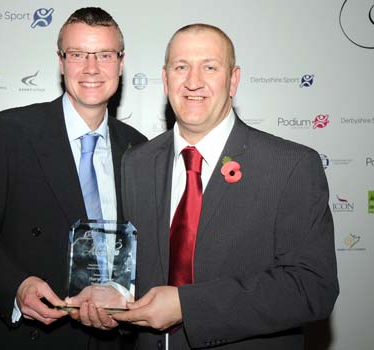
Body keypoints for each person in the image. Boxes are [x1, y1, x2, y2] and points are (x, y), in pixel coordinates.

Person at [112, 23, 339, 349]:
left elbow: (312, 287)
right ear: (165, 80)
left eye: (209, 67)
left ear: (233, 80)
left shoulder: (290, 166)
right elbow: (134, 266)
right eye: (181, 67)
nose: (193, 81)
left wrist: (186, 306)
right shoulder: (137, 163)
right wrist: (110, 295)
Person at [0, 7, 146, 350]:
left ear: (121, 62)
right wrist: (17, 286)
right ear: (61, 61)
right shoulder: (10, 133)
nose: (92, 68)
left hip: (113, 340)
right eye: (78, 54)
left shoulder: (139, 148)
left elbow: (147, 249)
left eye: (105, 55)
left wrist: (129, 296)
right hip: (31, 339)